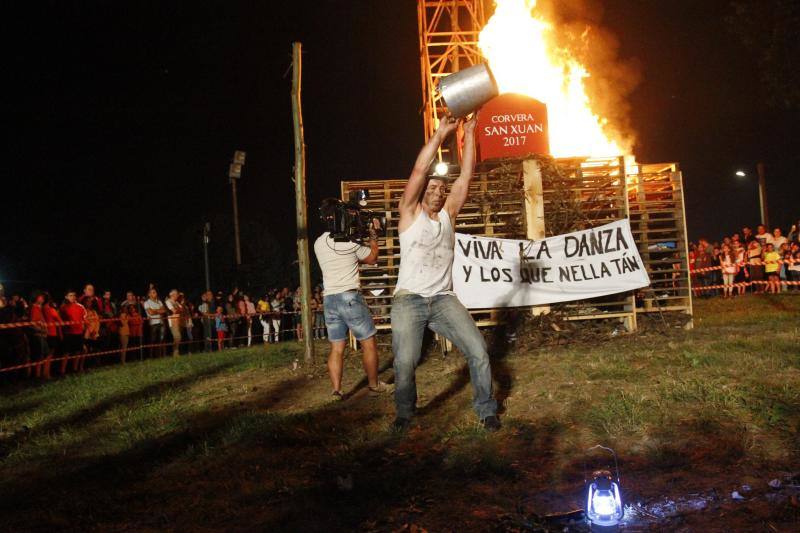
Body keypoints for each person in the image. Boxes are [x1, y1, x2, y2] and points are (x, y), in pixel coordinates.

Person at [391, 114, 499, 432]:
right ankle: (405, 413)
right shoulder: (409, 213)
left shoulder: (449, 214)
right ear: (423, 191)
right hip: (409, 299)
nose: (440, 192)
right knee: (405, 362)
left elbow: (466, 175)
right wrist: (440, 134)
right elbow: (419, 170)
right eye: (434, 187)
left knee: (478, 351)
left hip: (442, 299)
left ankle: (486, 409)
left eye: (443, 188)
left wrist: (469, 133)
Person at [314, 199, 389, 401]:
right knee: (368, 342)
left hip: (329, 299)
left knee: (337, 347)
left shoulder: (318, 243)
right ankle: (374, 384)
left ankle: (336, 390)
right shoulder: (350, 244)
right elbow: (372, 258)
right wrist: (373, 236)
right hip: (350, 297)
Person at [60, 290, 86, 373]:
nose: (72, 297)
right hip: (68, 333)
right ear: (66, 297)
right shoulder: (63, 307)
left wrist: (83, 327)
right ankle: (62, 370)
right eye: (70, 295)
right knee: (66, 352)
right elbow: (60, 320)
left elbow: (85, 318)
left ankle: (75, 369)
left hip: (78, 333)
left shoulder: (81, 306)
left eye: (74, 295)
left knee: (78, 351)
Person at [143, 288, 167, 358]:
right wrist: (159, 310)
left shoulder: (159, 301)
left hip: (161, 322)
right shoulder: (146, 302)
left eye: (155, 292)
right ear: (149, 294)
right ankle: (151, 357)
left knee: (161, 339)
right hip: (153, 323)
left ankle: (159, 356)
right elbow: (150, 312)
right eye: (153, 292)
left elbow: (164, 310)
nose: (155, 293)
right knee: (152, 340)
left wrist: (155, 310)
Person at [164, 289, 183, 357]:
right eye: (176, 294)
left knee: (178, 337)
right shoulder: (168, 301)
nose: (177, 295)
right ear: (171, 295)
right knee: (177, 336)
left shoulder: (176, 302)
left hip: (178, 321)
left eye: (177, 294)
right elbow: (174, 311)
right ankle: (175, 351)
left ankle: (176, 352)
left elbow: (181, 309)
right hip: (172, 321)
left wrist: (177, 309)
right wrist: (178, 309)